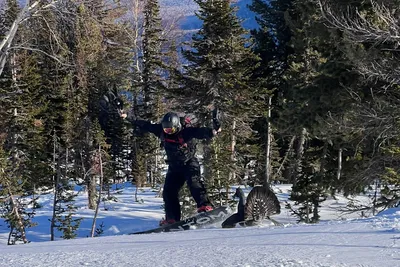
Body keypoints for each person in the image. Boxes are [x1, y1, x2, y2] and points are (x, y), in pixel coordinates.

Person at [125, 111, 221, 225]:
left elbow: (200, 132)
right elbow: (145, 125)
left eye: (171, 130)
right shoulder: (161, 131)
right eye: (166, 130)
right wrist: (126, 116)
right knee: (168, 192)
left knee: (194, 183)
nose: (168, 132)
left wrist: (214, 131)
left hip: (189, 163)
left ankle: (205, 206)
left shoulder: (186, 132)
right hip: (174, 167)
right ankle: (172, 218)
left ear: (177, 126)